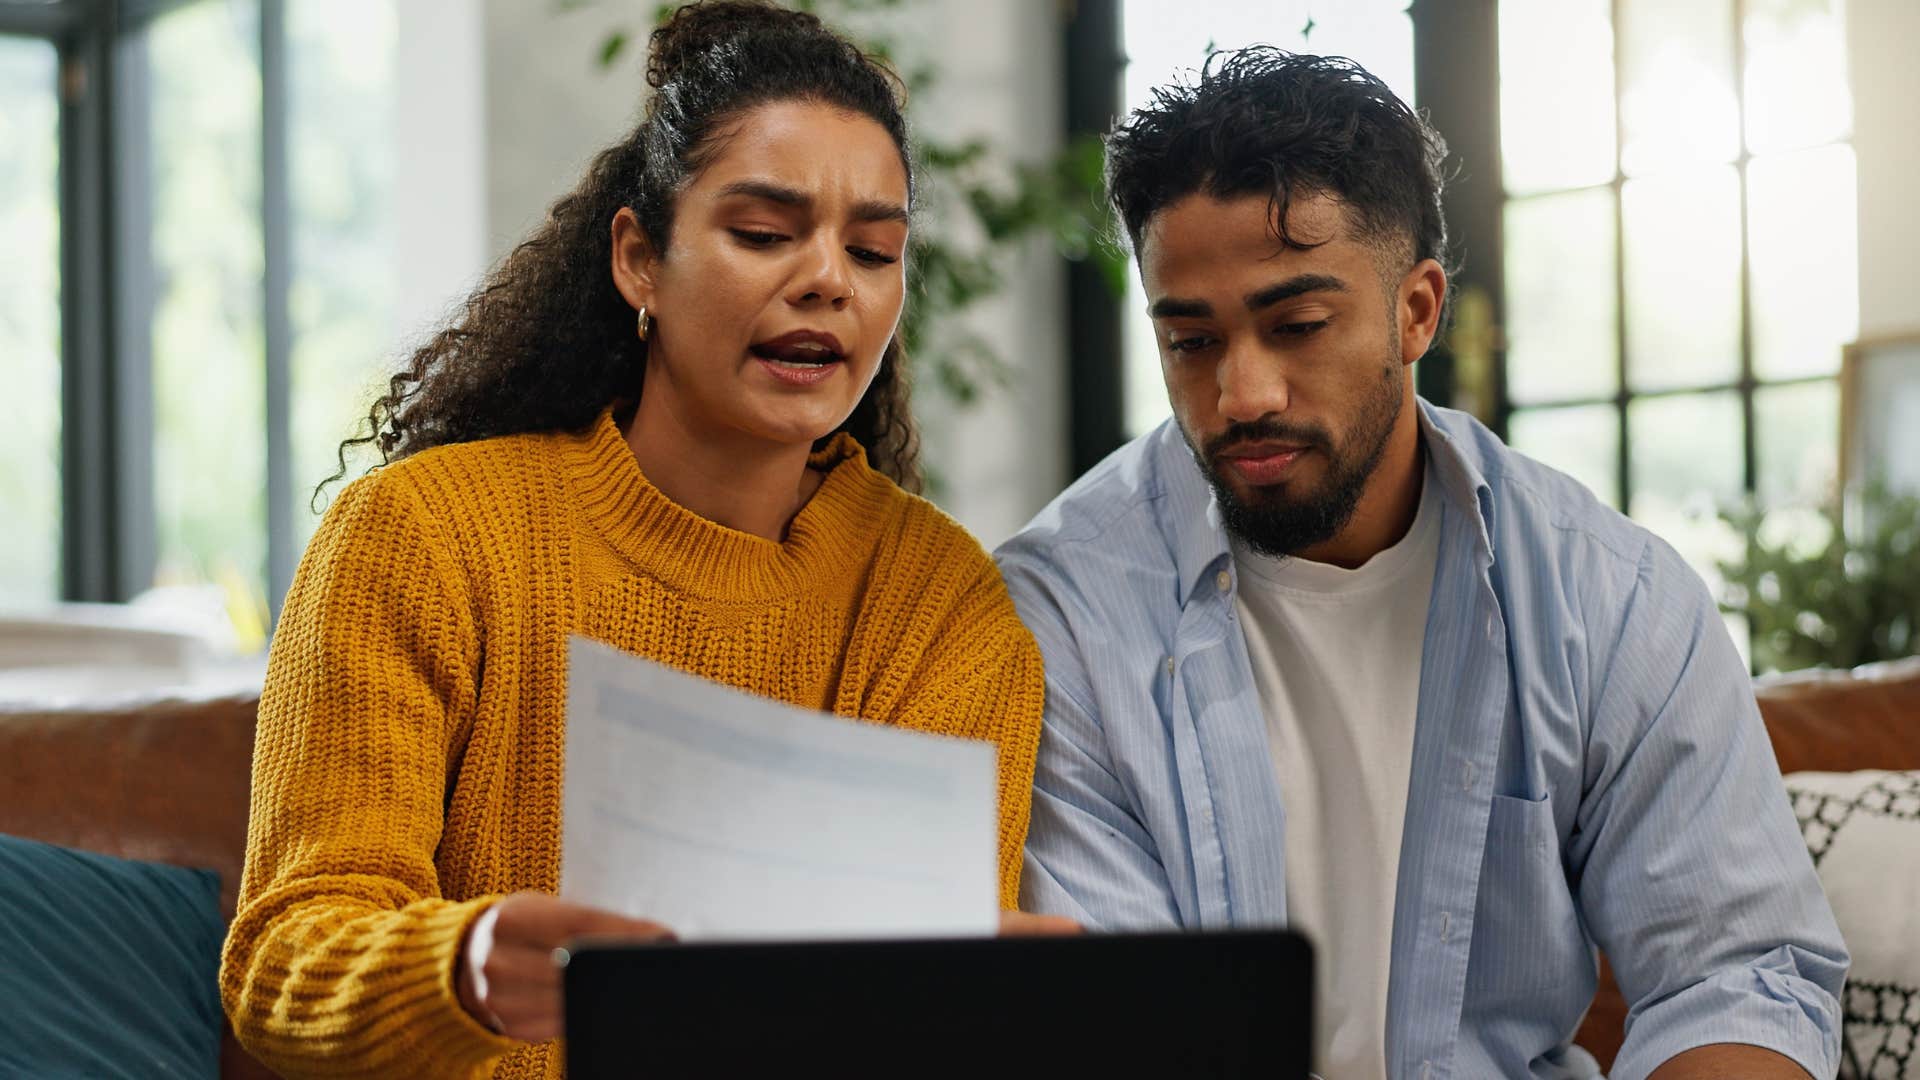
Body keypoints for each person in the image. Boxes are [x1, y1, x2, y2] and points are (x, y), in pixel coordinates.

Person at [219, 4, 1061, 1077]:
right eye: (763, 233)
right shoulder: (417, 536)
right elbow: (283, 960)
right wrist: (463, 963)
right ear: (637, 260)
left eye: (875, 249)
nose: (828, 281)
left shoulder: (940, 604)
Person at [997, 48, 1847, 1080]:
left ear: (1418, 310)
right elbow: (1118, 1028)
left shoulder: (1611, 599)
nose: (1241, 393)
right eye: (1191, 342)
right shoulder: (1056, 615)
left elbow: (1737, 973)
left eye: (1296, 325)